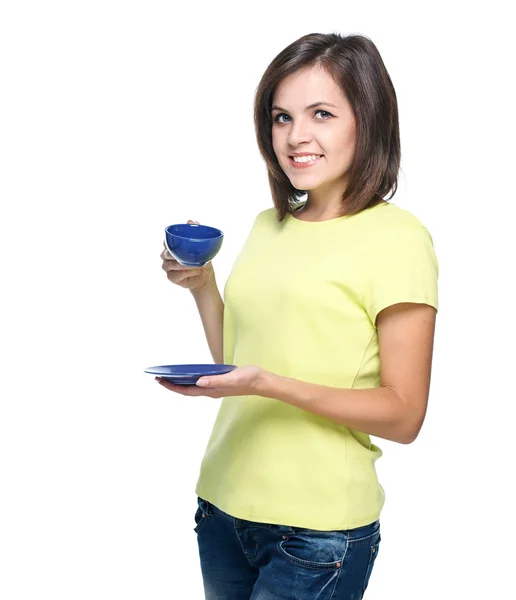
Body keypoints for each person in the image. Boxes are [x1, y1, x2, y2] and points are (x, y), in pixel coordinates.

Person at [157, 32, 438, 600]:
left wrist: (268, 384)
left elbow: (405, 415)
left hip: (317, 534)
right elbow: (236, 366)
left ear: (369, 120)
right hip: (221, 509)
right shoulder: (269, 224)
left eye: (322, 114)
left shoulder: (397, 239)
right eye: (281, 117)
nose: (296, 136)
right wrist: (202, 286)